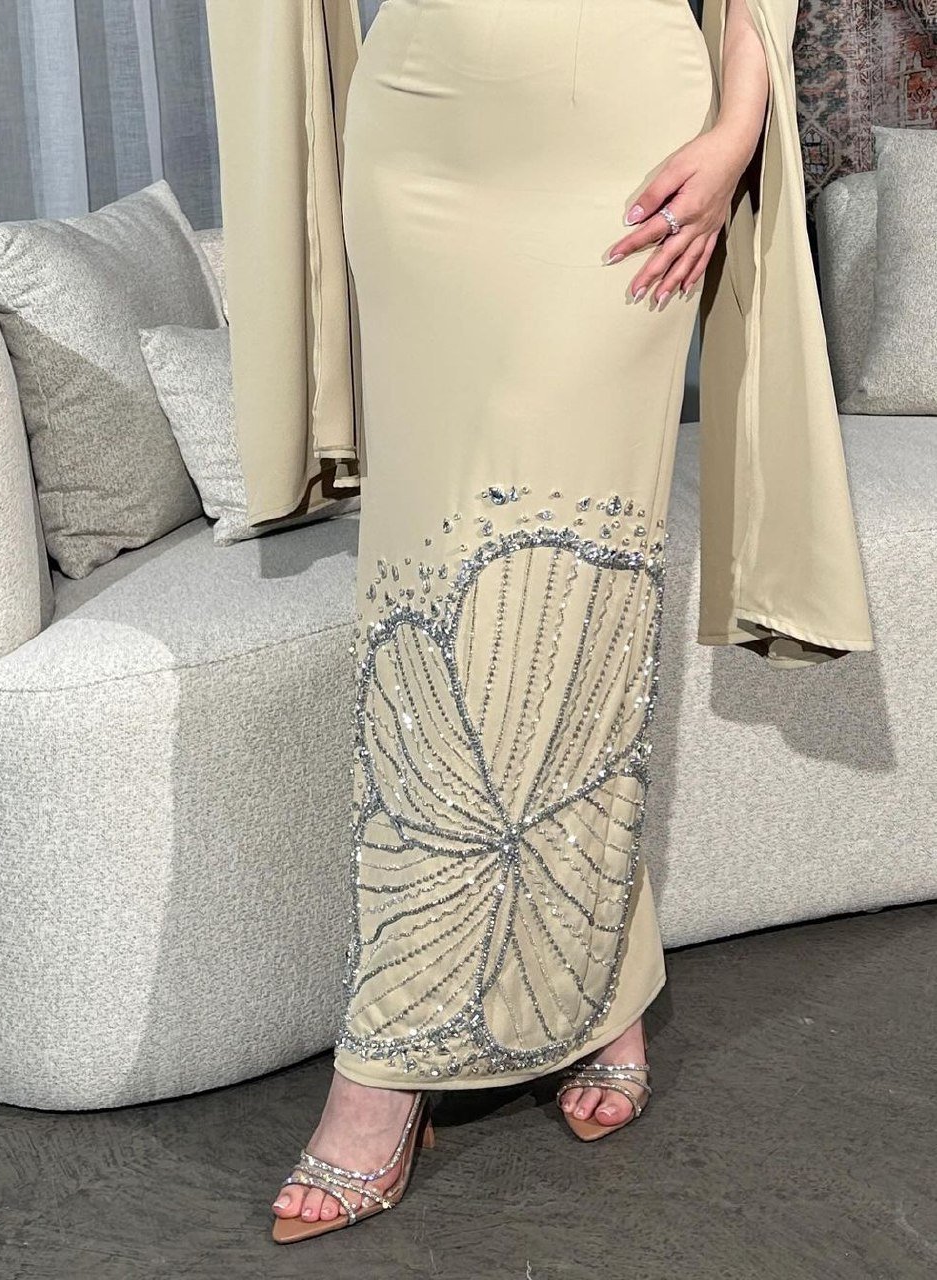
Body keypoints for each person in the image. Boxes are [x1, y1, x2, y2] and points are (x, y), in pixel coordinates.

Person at [204, 0, 874, 1245]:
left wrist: (738, 126)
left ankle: (384, 1065)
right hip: (416, 136)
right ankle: (603, 976)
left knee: (568, 573)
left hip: (620, 150)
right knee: (425, 585)